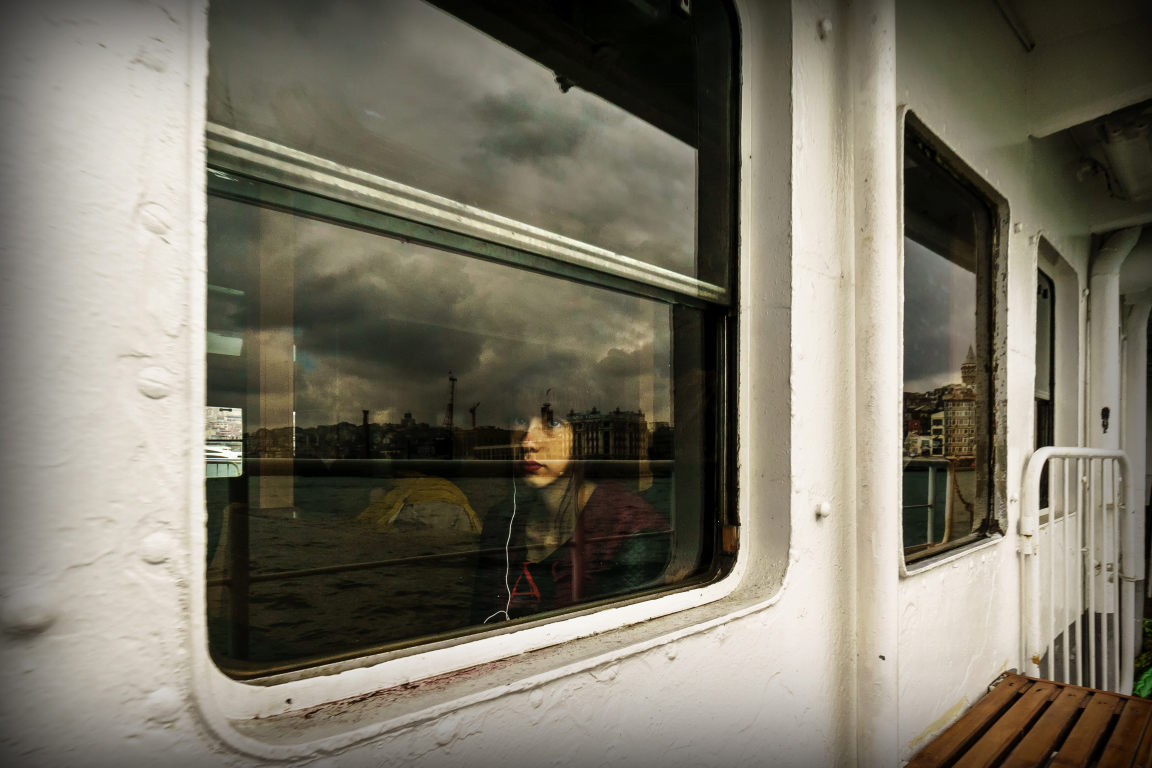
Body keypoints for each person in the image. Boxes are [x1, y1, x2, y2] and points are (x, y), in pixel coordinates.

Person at [472, 403, 672, 624]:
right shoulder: (501, 521)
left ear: (577, 438)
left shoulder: (632, 531)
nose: (528, 443)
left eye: (552, 423)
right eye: (520, 421)